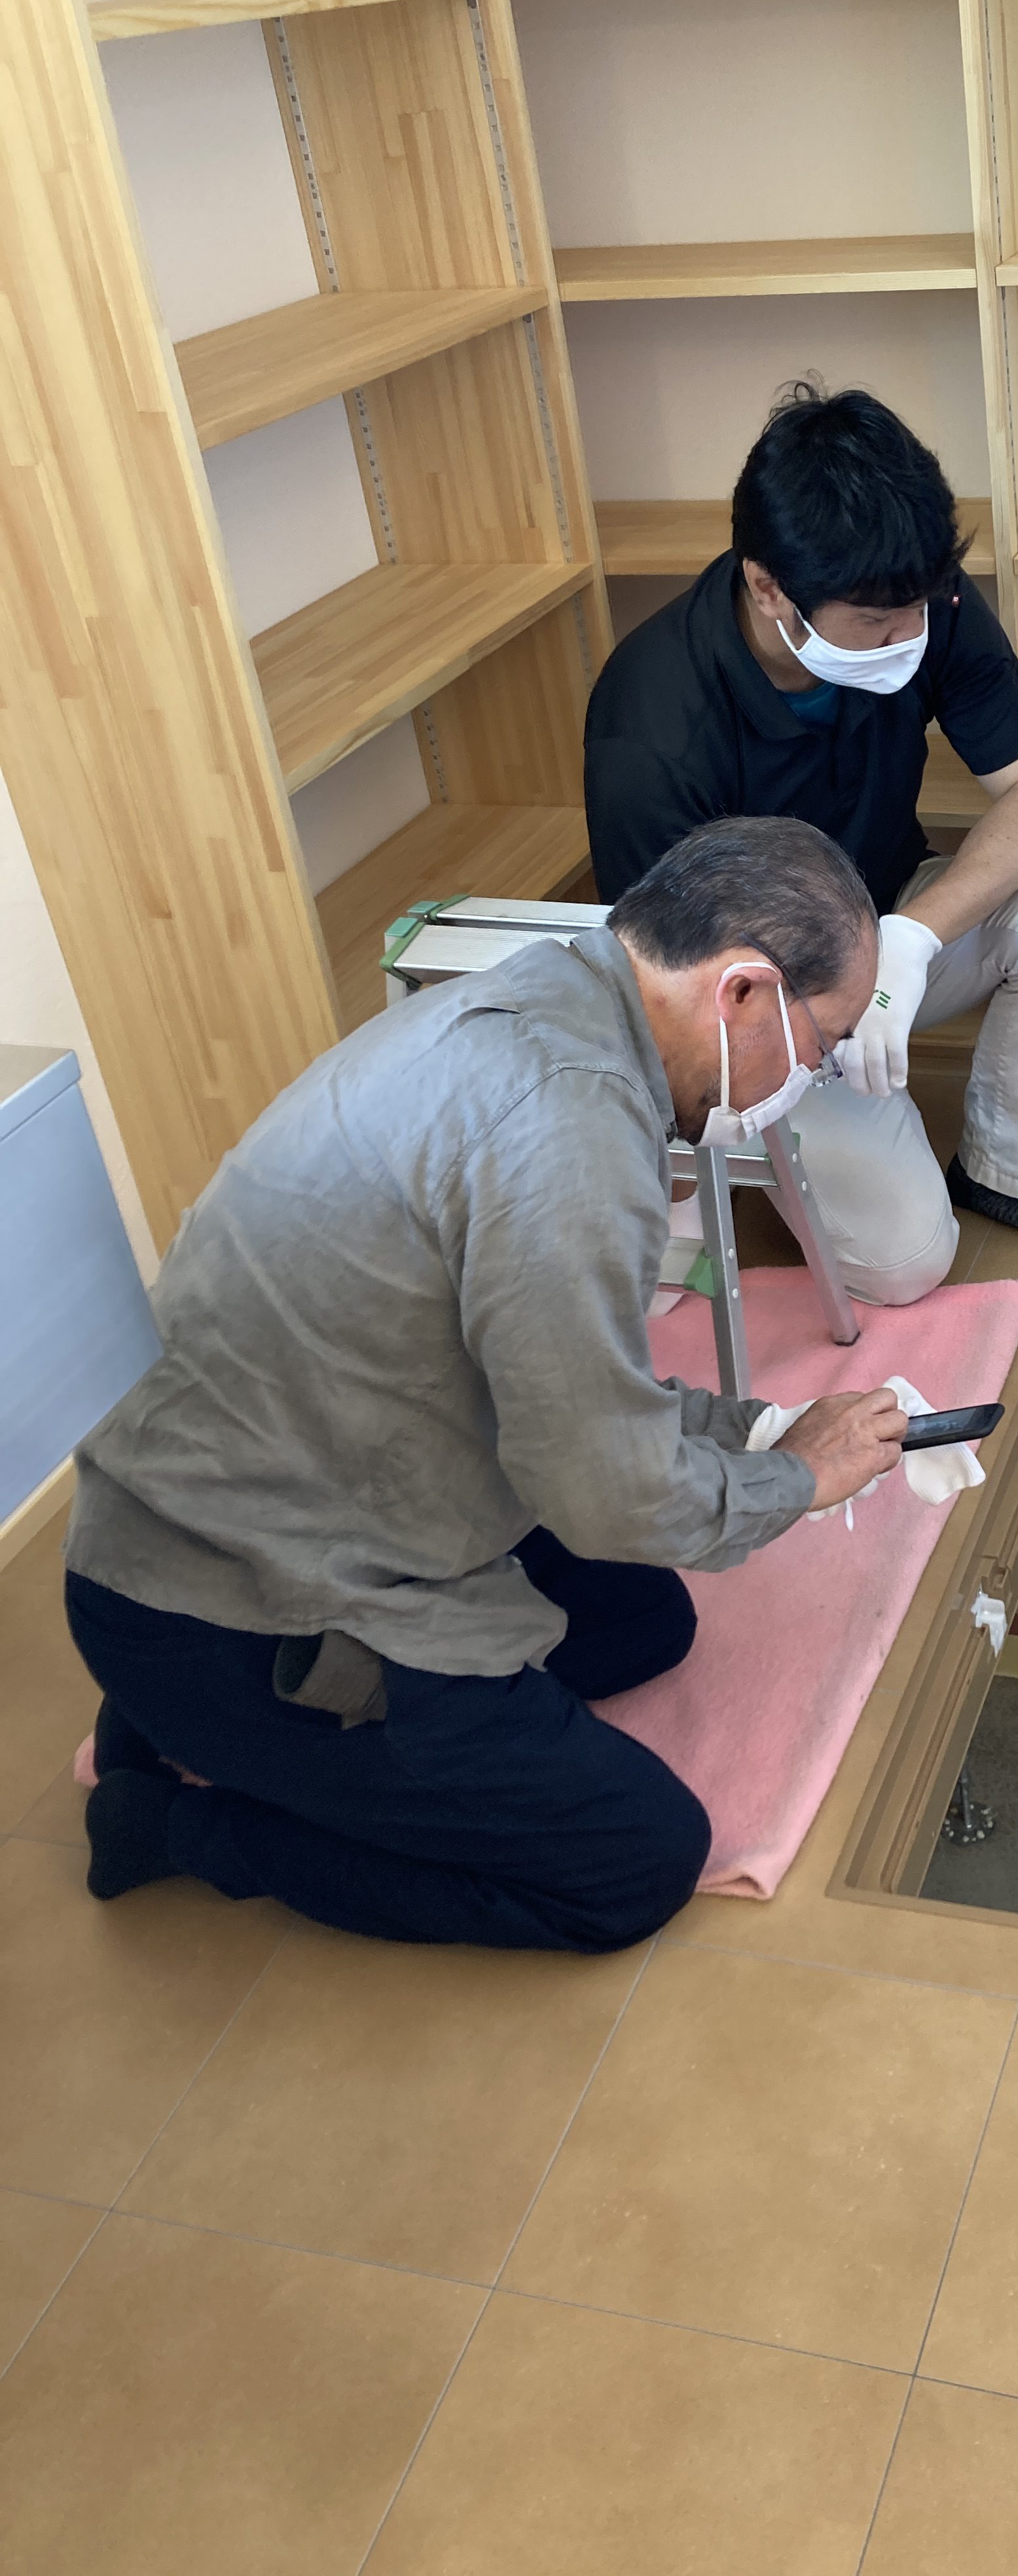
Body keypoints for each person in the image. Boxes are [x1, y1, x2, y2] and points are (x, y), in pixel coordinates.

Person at [63, 820, 907, 1954]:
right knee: (635, 1859)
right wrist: (796, 1480)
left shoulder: (543, 995)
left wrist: (759, 1429)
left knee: (642, 1623)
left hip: (257, 1487)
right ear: (744, 992)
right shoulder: (568, 1130)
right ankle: (174, 1820)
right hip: (233, 1603)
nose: (810, 1079)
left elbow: (575, 1388)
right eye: (824, 1045)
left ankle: (231, 1735)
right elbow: (612, 1496)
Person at [583, 383, 1018, 1306]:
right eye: (877, 624)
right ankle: (789, 1147)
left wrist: (911, 941)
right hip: (767, 1005)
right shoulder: (652, 724)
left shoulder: (918, 594)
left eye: (920, 608)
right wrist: (817, 1025)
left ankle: (1007, 1173)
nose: (909, 636)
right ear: (769, 587)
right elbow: (671, 992)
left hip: (891, 921)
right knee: (905, 1265)